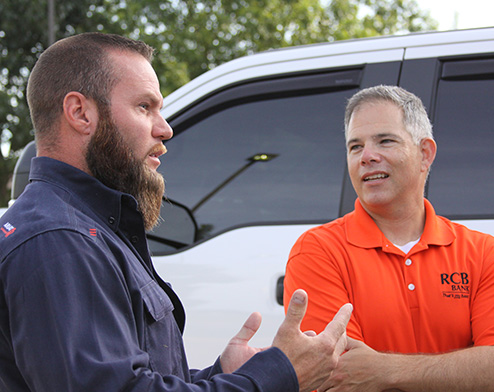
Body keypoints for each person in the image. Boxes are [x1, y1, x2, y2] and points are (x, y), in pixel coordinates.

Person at [0, 32, 353, 392]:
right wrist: (274, 378)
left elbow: (135, 380)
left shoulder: (88, 228)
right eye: (144, 107)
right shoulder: (59, 240)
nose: (165, 129)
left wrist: (223, 375)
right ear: (80, 113)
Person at [284, 85, 494, 391]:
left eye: (385, 141)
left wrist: (386, 371)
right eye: (355, 147)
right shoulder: (317, 251)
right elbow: (334, 376)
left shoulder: (485, 253)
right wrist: (464, 369)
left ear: (425, 154)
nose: (367, 157)